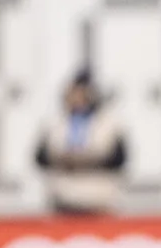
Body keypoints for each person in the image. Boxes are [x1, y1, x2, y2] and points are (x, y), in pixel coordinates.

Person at [35, 69, 127, 215]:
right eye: (74, 93)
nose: (77, 98)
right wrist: (66, 159)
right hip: (63, 199)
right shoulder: (55, 123)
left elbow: (118, 159)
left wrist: (85, 159)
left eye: (82, 93)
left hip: (98, 200)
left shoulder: (108, 124)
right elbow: (40, 158)